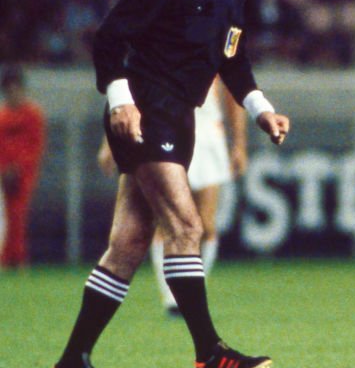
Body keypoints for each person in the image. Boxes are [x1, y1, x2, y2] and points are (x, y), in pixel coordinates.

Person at [51, 0, 290, 368]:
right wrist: (120, 100)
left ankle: (72, 365)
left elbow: (233, 59)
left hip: (179, 116)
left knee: (127, 246)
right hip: (147, 111)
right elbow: (109, 38)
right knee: (186, 228)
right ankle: (210, 354)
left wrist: (261, 109)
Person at [98, 77, 247, 316]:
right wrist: (109, 142)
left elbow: (234, 93)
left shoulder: (217, 46)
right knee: (167, 220)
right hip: (169, 131)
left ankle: (194, 288)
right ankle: (171, 297)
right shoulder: (160, 46)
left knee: (206, 225)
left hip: (209, 134)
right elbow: (132, 87)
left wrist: (239, 143)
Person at [0, 65, 47, 269]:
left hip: (23, 174)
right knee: (5, 218)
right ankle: (5, 258)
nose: (13, 94)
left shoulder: (33, 115)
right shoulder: (2, 117)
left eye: (15, 89)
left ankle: (17, 259)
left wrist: (18, 168)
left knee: (17, 216)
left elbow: (35, 147)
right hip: (2, 174)